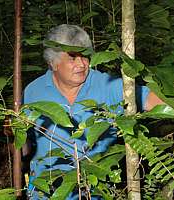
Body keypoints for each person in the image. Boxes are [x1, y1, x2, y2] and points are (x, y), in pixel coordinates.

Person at [23, 24, 162, 199]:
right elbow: (27, 146)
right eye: (73, 57)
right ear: (54, 63)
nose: (82, 64)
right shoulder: (33, 91)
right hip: (44, 192)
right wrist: (14, 132)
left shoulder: (107, 85)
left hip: (95, 191)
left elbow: (151, 99)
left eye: (85, 56)